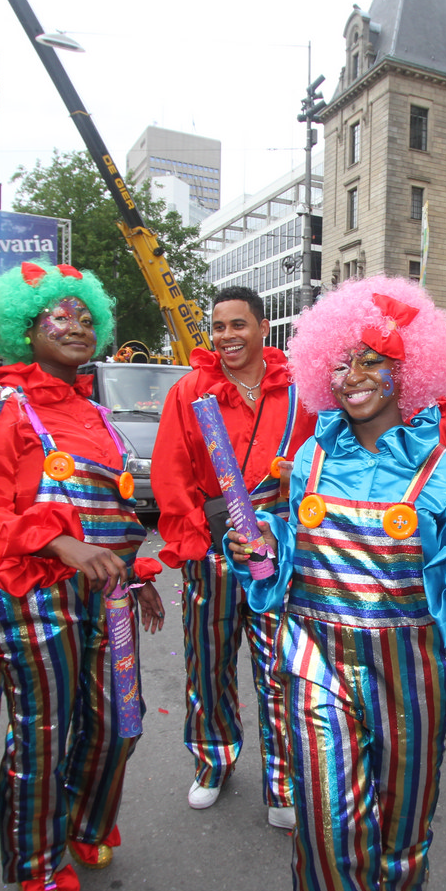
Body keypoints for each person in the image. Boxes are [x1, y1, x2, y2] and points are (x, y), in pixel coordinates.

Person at [225, 277, 446, 891]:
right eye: (341, 362)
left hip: (411, 669)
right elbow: (285, 558)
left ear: (407, 372)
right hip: (313, 660)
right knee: (327, 833)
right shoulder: (309, 459)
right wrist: (259, 546)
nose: (352, 375)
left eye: (371, 360)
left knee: (401, 835)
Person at [0, 261, 164, 891]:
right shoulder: (1, 404)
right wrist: (59, 544)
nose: (77, 326)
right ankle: (38, 861)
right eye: (61, 316)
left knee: (117, 720)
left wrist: (134, 575)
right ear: (26, 329)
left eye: (86, 317)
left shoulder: (96, 412)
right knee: (42, 734)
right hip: (37, 593)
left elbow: (114, 512)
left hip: (108, 595)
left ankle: (86, 817)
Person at [150, 284, 313, 827]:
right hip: (212, 547)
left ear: (263, 328)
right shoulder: (191, 389)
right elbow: (171, 470)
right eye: (218, 327)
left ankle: (283, 782)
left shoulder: (299, 391)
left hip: (278, 549)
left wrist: (292, 522)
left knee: (280, 666)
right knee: (208, 662)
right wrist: (200, 540)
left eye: (238, 324)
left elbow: (323, 461)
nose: (227, 336)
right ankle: (213, 761)